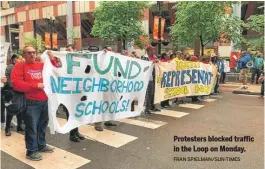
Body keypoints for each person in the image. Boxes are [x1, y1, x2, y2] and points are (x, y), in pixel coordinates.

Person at [11, 46, 54, 161]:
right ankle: (31, 151)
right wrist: (35, 85)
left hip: (44, 100)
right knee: (32, 127)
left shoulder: (41, 65)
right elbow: (16, 84)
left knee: (42, 126)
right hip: (31, 102)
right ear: (23, 54)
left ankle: (41, 145)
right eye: (29, 52)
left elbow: (56, 68)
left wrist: (52, 58)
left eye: (34, 52)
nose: (32, 55)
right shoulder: (19, 66)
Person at [55, 45, 85, 142]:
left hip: (77, 93)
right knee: (70, 114)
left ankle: (76, 131)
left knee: (77, 114)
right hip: (68, 94)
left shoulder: (78, 61)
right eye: (66, 50)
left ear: (74, 50)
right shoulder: (61, 62)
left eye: (70, 49)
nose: (68, 51)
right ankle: (72, 134)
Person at [94, 46, 117, 131]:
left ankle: (108, 120)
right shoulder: (100, 59)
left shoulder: (113, 59)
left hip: (110, 86)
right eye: (108, 50)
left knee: (109, 103)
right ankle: (98, 124)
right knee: (100, 105)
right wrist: (101, 54)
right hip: (101, 86)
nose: (110, 52)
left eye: (111, 50)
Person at [4, 54, 25, 136]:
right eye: (19, 58)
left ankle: (19, 125)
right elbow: (7, 80)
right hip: (12, 92)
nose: (21, 60)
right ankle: (7, 128)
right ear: (14, 60)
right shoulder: (10, 67)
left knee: (20, 108)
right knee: (11, 110)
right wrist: (14, 86)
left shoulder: (20, 67)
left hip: (20, 91)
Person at [142, 45, 161, 114]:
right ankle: (147, 109)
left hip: (155, 76)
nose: (153, 51)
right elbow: (144, 67)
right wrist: (153, 62)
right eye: (152, 50)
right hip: (148, 78)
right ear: (148, 51)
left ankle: (152, 107)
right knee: (149, 93)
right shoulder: (145, 58)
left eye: (153, 50)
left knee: (154, 92)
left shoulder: (154, 57)